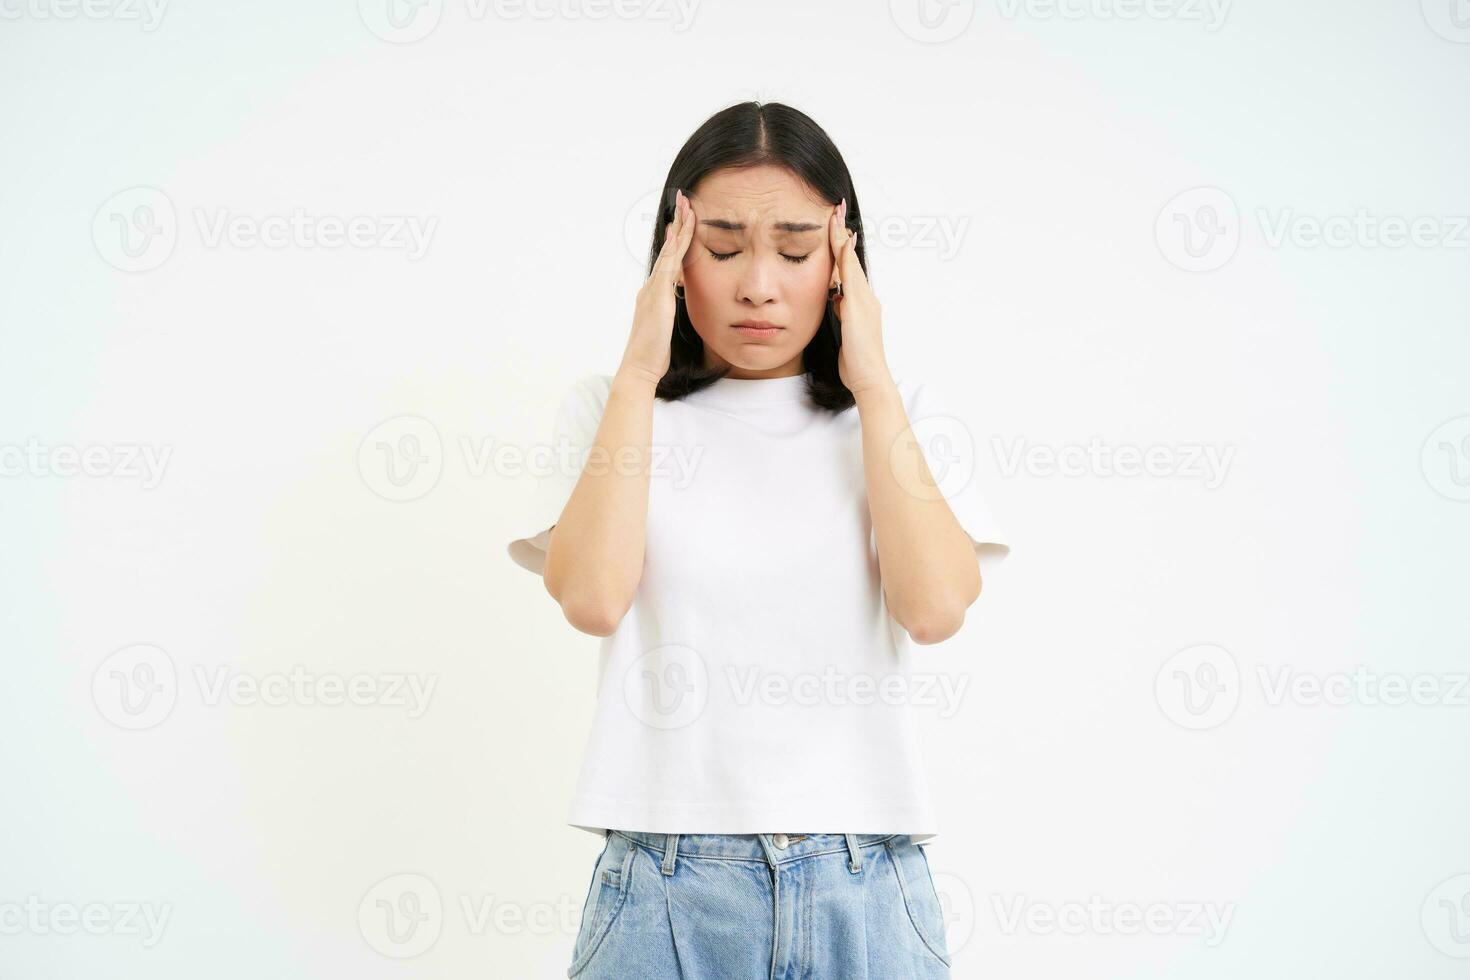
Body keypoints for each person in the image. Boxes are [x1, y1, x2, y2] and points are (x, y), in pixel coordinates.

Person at [508, 101, 1010, 979]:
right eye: (725, 246)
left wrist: (876, 384)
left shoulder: (901, 416)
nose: (758, 285)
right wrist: (638, 367)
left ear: (843, 261)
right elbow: (590, 598)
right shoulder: (612, 408)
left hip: (866, 882)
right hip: (662, 885)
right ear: (673, 254)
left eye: (794, 248)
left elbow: (932, 610)